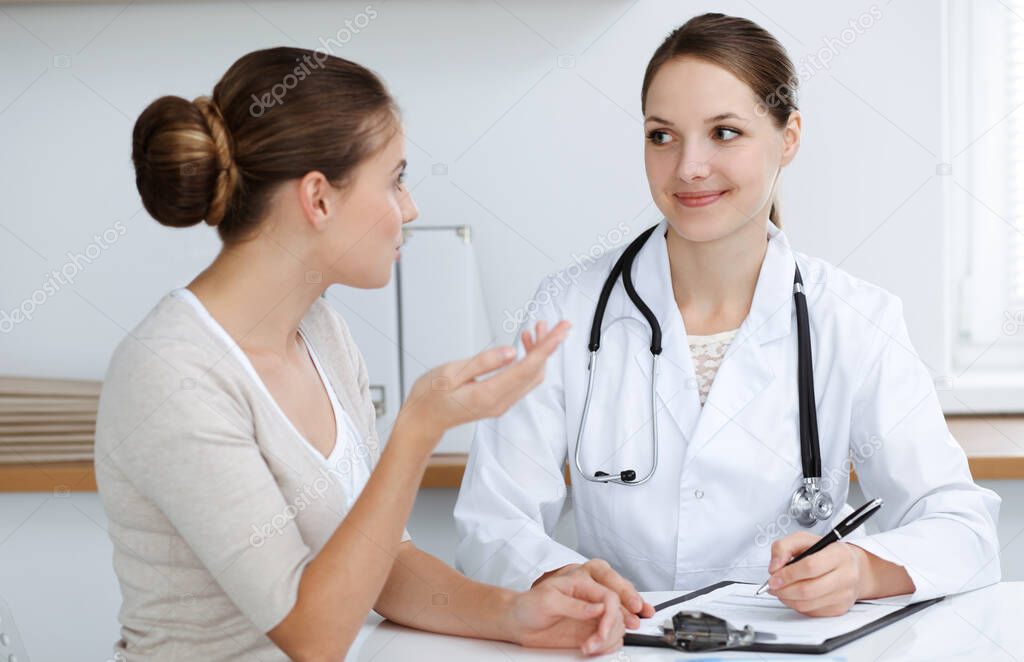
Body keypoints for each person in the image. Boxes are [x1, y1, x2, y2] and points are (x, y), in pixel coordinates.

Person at [453, 13, 1002, 619]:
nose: (688, 167)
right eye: (662, 135)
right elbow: (492, 521)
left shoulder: (854, 319)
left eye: (724, 133)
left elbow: (962, 527)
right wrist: (557, 574)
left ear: (788, 136)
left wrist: (861, 569)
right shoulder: (569, 309)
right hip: (623, 646)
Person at [94, 47, 626, 660]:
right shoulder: (174, 376)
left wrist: (516, 613)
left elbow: (383, 560)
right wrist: (418, 430)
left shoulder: (319, 332)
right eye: (395, 179)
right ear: (318, 199)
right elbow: (311, 635)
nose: (410, 208)